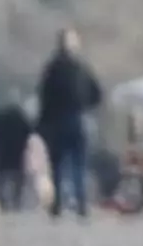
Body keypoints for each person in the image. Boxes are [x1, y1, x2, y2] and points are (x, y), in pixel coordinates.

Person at [36, 27, 104, 218]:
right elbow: (98, 93)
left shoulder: (52, 69)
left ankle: (58, 204)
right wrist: (86, 107)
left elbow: (44, 98)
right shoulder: (82, 68)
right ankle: (81, 204)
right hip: (79, 119)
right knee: (79, 165)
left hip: (57, 121)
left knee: (58, 165)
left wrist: (42, 124)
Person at [0, 90, 33, 212]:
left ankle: (3, 202)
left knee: (1, 179)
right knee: (18, 178)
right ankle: (16, 201)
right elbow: (29, 132)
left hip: (2, 152)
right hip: (17, 152)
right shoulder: (21, 116)